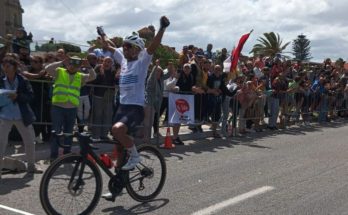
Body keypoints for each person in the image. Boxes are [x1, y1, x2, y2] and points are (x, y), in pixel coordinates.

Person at [104, 16, 170, 170]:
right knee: (119, 148)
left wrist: (162, 28)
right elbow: (111, 47)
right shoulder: (124, 60)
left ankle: (135, 155)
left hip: (135, 108)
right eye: (124, 46)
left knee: (117, 130)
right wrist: (102, 34)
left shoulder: (142, 61)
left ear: (136, 49)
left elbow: (153, 47)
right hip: (121, 107)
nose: (124, 48)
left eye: (128, 46)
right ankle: (118, 184)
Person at [45, 56, 96, 162]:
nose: (73, 67)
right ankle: (53, 156)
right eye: (71, 63)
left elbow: (93, 77)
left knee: (68, 132)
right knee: (56, 132)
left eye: (76, 65)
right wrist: (61, 62)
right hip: (58, 107)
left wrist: (89, 67)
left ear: (79, 67)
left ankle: (67, 155)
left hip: (72, 109)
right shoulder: (59, 71)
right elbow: (47, 68)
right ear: (68, 63)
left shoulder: (80, 76)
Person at [0, 55, 42, 178]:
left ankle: (31, 166)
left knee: (29, 141)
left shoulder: (23, 80)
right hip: (4, 116)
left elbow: (30, 96)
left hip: (21, 115)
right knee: (1, 142)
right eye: (4, 66)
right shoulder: (1, 80)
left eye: (8, 66)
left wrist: (17, 97)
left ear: (14, 67)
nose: (5, 68)